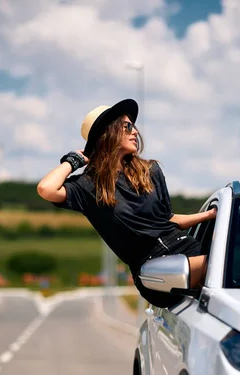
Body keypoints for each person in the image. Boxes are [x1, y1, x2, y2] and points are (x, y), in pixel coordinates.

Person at [37, 99, 216, 308]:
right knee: (226, 266)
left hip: (187, 247)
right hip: (154, 269)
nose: (136, 132)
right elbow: (46, 189)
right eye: (128, 126)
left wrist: (208, 215)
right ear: (108, 133)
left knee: (235, 263)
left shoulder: (151, 171)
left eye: (135, 126)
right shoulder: (87, 186)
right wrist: (74, 160)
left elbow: (169, 219)